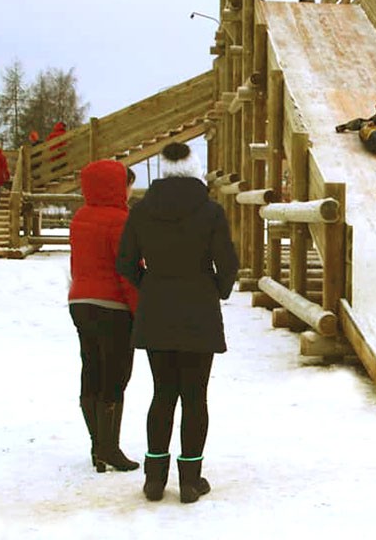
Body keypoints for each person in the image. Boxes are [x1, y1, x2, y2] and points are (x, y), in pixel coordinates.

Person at [116, 142, 239, 504]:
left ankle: (155, 479)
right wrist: (215, 289)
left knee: (162, 394)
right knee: (195, 397)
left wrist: (150, 286)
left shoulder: (141, 211)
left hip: (157, 312)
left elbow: (125, 263)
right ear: (194, 168)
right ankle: (190, 479)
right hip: (199, 311)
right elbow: (228, 264)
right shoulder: (211, 211)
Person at [68, 160, 139, 473]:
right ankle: (110, 448)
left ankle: (98, 445)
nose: (130, 191)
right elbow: (127, 273)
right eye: (128, 184)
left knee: (92, 369)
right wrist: (140, 311)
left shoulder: (80, 217)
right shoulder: (121, 221)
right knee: (116, 374)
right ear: (116, 186)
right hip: (113, 307)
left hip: (81, 302)